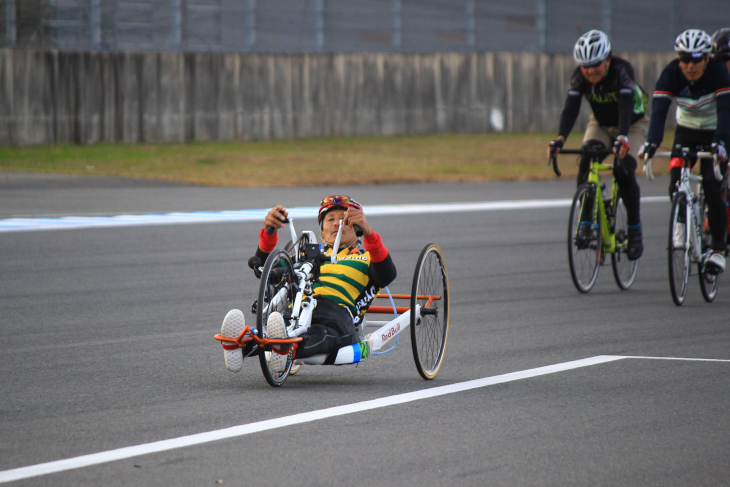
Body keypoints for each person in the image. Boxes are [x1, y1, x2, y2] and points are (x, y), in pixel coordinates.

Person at [220, 195, 397, 373]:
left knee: (320, 333)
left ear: (358, 228)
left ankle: (286, 349)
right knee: (280, 327)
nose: (337, 223)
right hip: (297, 309)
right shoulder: (304, 256)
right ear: (322, 233)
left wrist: (369, 234)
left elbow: (387, 274)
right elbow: (267, 272)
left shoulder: (367, 257)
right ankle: (240, 344)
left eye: (344, 219)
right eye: (330, 219)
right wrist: (269, 232)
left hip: (337, 314)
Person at [548, 29, 648, 261]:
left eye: (596, 64)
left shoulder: (622, 71)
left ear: (608, 60)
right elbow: (571, 108)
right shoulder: (579, 76)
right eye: (585, 66)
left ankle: (634, 228)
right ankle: (585, 219)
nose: (591, 70)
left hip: (632, 123)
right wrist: (560, 138)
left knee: (622, 171)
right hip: (601, 124)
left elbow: (625, 106)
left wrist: (623, 137)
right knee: (586, 159)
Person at [638, 29, 730, 273]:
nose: (690, 66)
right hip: (686, 130)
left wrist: (721, 142)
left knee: (711, 185)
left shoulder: (719, 72)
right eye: (685, 59)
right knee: (676, 181)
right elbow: (658, 112)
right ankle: (681, 224)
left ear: (707, 58)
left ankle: (719, 250)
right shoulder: (671, 73)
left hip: (715, 132)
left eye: (696, 59)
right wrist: (652, 142)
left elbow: (725, 111)